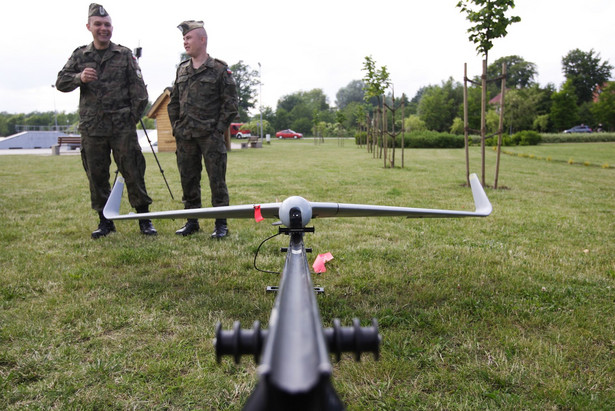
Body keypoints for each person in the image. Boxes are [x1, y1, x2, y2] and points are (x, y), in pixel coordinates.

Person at [56, 3, 156, 239]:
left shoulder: (124, 54)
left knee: (133, 171)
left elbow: (140, 93)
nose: (103, 28)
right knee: (96, 175)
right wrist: (79, 77)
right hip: (93, 129)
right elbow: (61, 82)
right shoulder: (81, 55)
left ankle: (144, 220)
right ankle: (105, 222)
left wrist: (129, 119)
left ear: (112, 28)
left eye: (107, 25)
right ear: (89, 26)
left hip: (122, 128)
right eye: (98, 24)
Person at [168, 20, 238, 238]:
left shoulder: (219, 69)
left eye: (189, 37)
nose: (185, 41)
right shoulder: (182, 70)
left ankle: (221, 224)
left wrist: (217, 130)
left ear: (202, 39)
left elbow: (231, 104)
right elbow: (174, 102)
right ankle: (192, 221)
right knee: (188, 179)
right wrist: (176, 127)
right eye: (184, 38)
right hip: (186, 136)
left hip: (210, 137)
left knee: (217, 181)